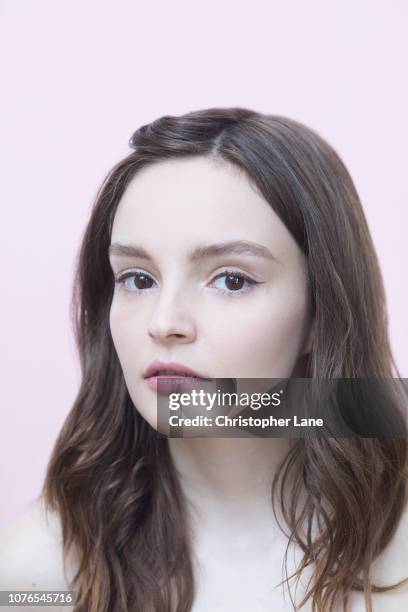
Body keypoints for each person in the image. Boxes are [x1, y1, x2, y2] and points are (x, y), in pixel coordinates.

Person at [1, 107, 407, 612]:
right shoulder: (38, 575)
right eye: (138, 279)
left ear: (320, 310)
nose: (164, 321)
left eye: (232, 280)